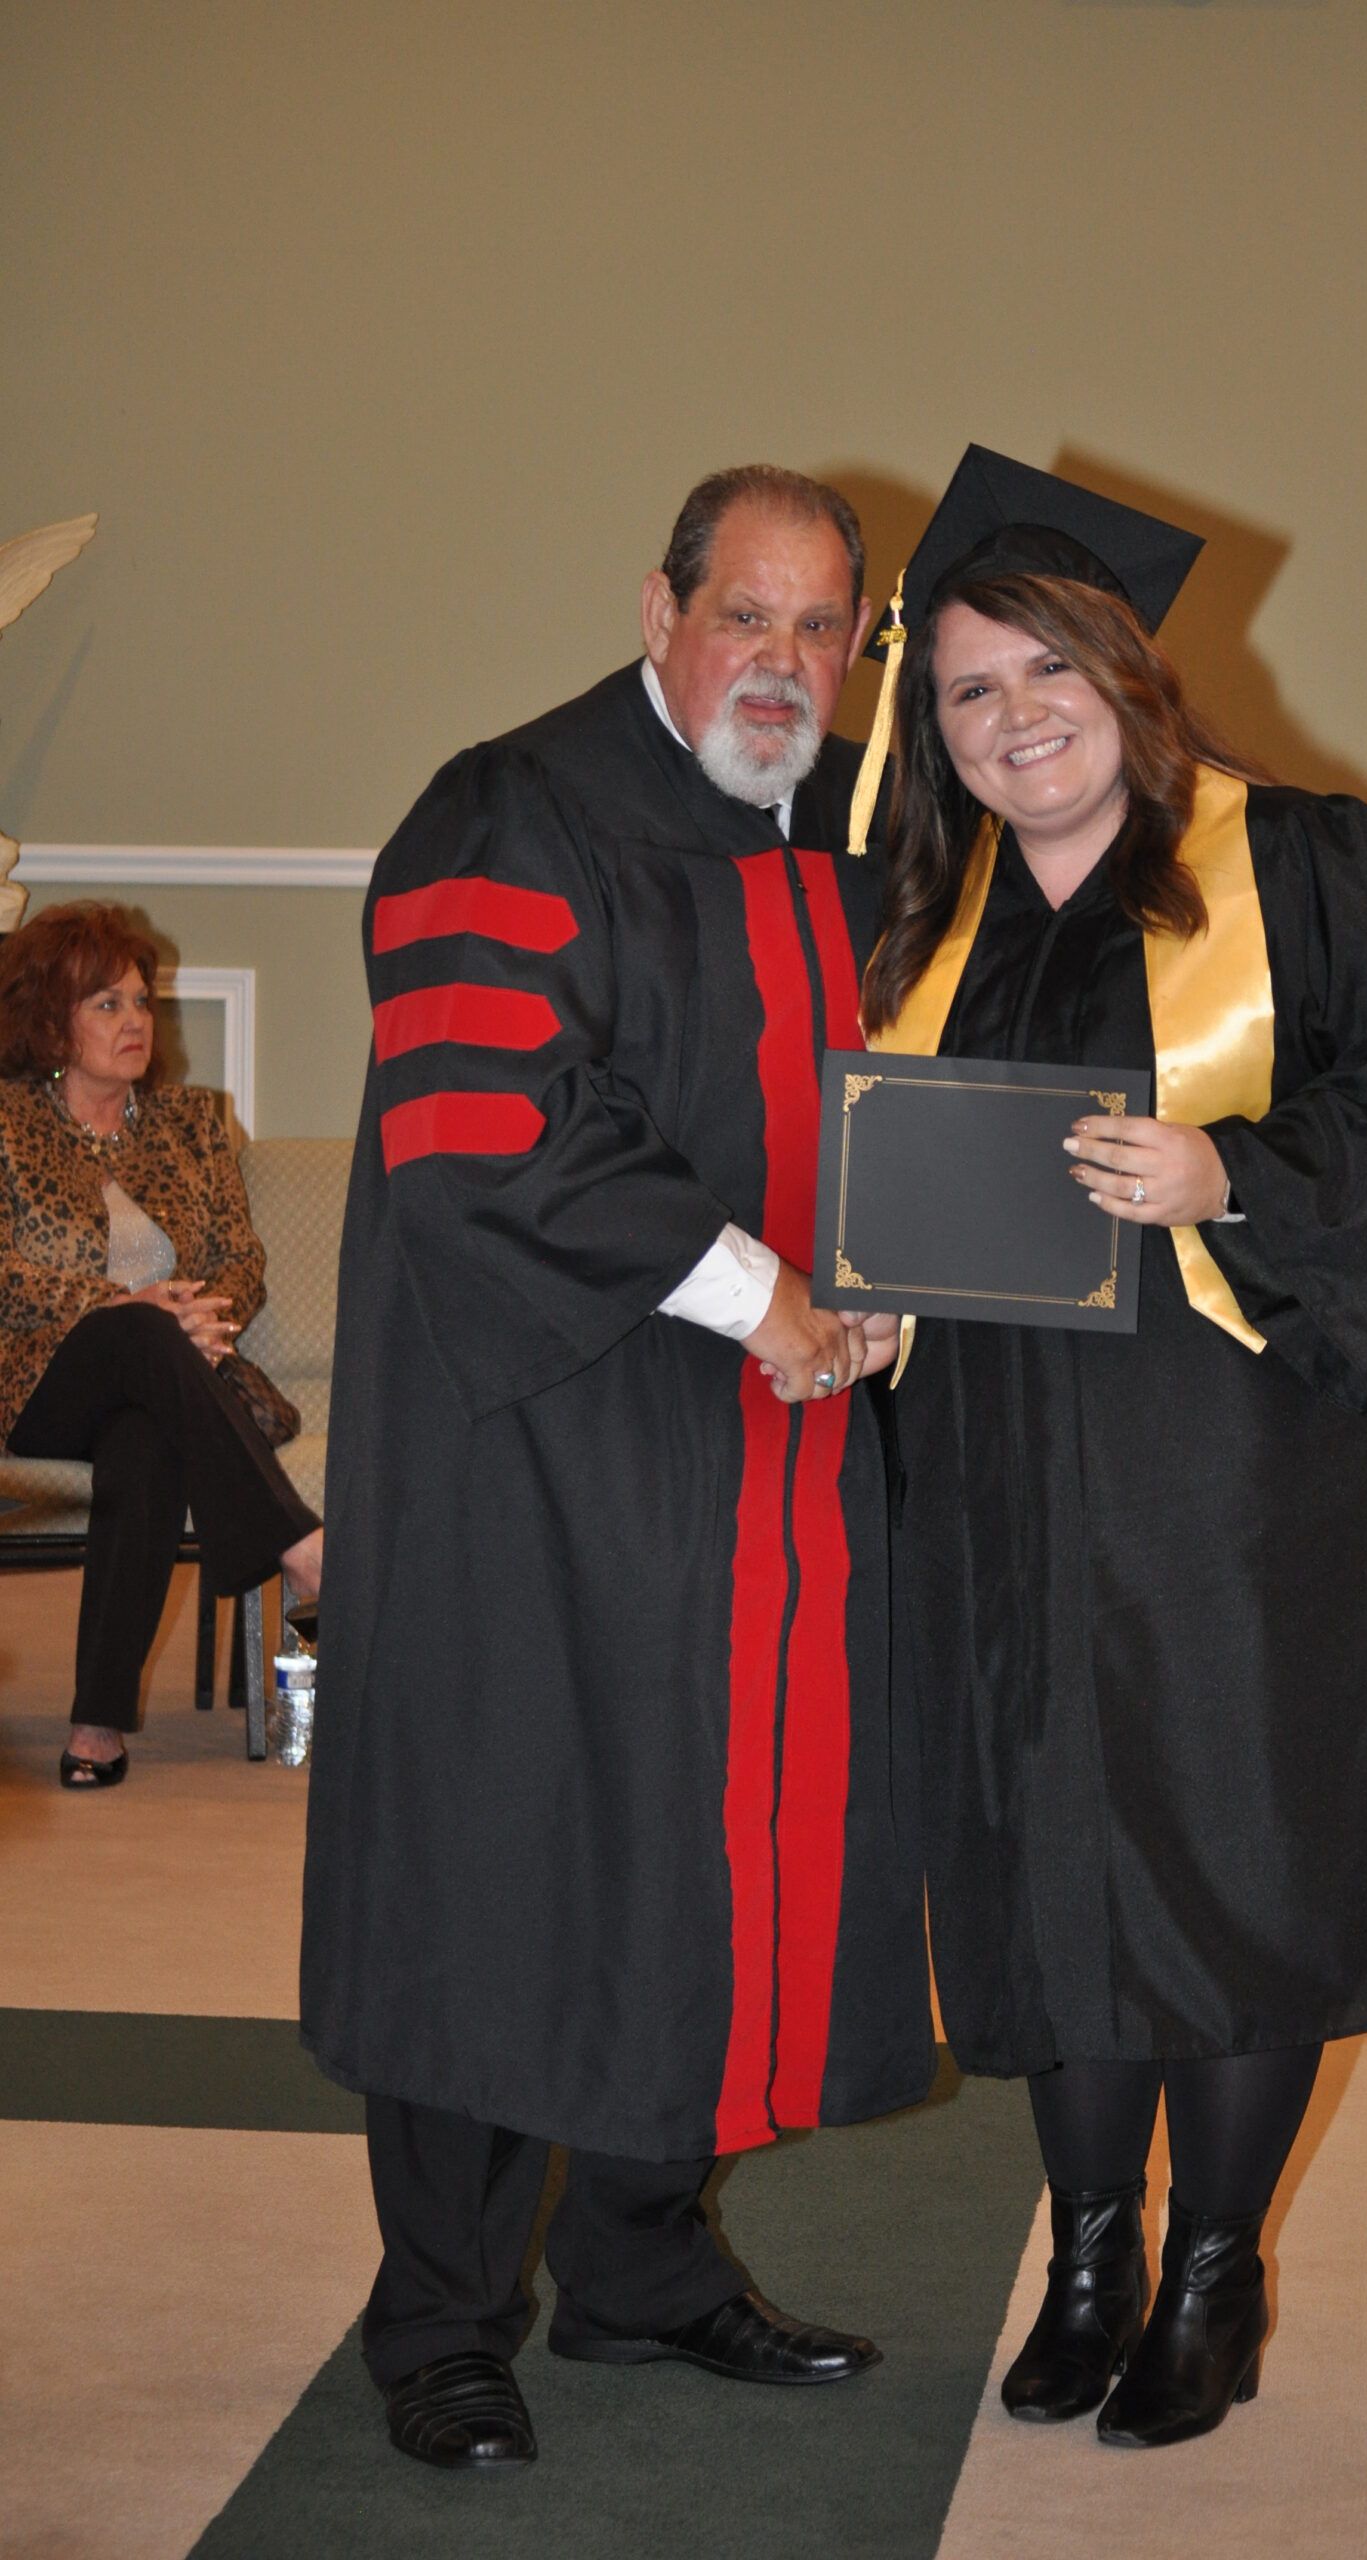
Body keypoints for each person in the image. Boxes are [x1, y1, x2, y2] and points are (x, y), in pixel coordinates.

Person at [858, 450, 1367, 2450]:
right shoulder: (923, 902)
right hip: (993, 1457)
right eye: (966, 691)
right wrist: (870, 1279)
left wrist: (1232, 1164)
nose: (1008, 718)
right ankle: (1088, 2251)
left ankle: (1213, 2269)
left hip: (1243, 1468)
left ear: (1128, 674)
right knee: (1042, 1844)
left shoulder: (1303, 857)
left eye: (1040, 669)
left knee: (1234, 1852)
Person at [300, 466, 934, 2473]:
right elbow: (484, 1125)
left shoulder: (839, 835)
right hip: (541, 1449)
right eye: (747, 613)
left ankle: (648, 2264)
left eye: (824, 627)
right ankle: (442, 2316)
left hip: (765, 1451)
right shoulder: (510, 808)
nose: (785, 661)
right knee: (511, 1853)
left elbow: (889, 1119)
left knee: (709, 1847)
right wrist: (759, 1289)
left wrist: (899, 1275)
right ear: (656, 605)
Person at [0, 902, 323, 1787]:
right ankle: (298, 1547)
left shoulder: (193, 1124)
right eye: (106, 1003)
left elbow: (238, 1260)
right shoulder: (7, 1124)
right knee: (137, 1328)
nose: (136, 1020)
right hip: (39, 1383)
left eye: (141, 1001)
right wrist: (129, 1302)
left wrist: (198, 1313)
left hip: (167, 1380)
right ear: (50, 1020)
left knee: (143, 1445)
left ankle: (96, 1726)